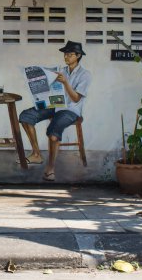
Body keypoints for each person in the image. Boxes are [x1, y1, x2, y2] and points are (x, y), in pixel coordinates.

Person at [18, 40, 91, 181]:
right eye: (65, 54)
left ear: (78, 56)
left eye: (69, 54)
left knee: (53, 133)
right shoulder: (60, 71)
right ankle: (36, 154)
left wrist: (65, 83)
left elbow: (76, 98)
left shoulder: (85, 75)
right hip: (55, 105)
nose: (66, 57)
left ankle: (50, 169)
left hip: (71, 111)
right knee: (26, 116)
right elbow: (51, 91)